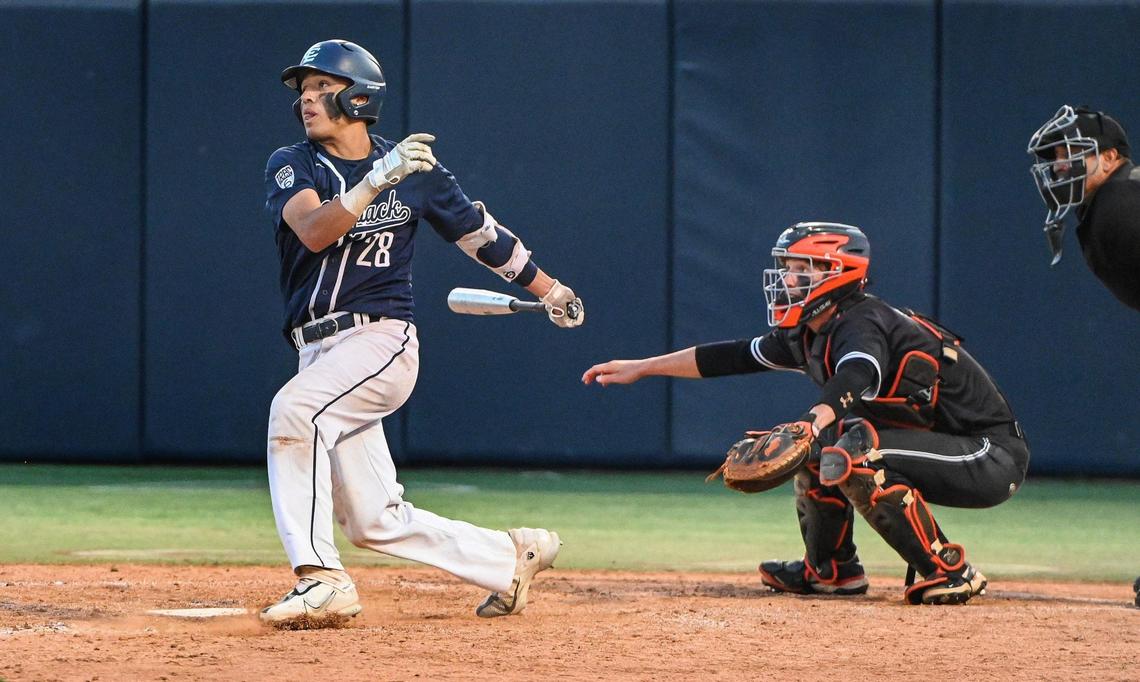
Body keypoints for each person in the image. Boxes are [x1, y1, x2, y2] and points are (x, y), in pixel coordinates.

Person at [259, 39, 583, 625]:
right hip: (318, 349)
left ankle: (320, 578)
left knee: (294, 415)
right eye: (302, 93)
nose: (307, 101)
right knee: (372, 519)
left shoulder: (416, 171)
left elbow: (482, 236)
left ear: (358, 98)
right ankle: (509, 558)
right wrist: (374, 181)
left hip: (379, 340)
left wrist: (550, 290)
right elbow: (313, 229)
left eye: (321, 90)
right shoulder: (294, 163)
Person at [583, 222, 1029, 605]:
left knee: (854, 453)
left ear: (838, 273)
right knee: (823, 450)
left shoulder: (863, 321)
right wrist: (643, 368)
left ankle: (949, 570)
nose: (788, 278)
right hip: (945, 446)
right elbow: (732, 357)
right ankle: (832, 571)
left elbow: (857, 372)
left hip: (989, 456)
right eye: (788, 268)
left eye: (802, 269)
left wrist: (814, 420)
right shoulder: (808, 329)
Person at [1028, 105, 1140, 607]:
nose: (1058, 168)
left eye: (1071, 155)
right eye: (1053, 159)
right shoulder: (1113, 203)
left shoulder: (1121, 203)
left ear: (1110, 157)